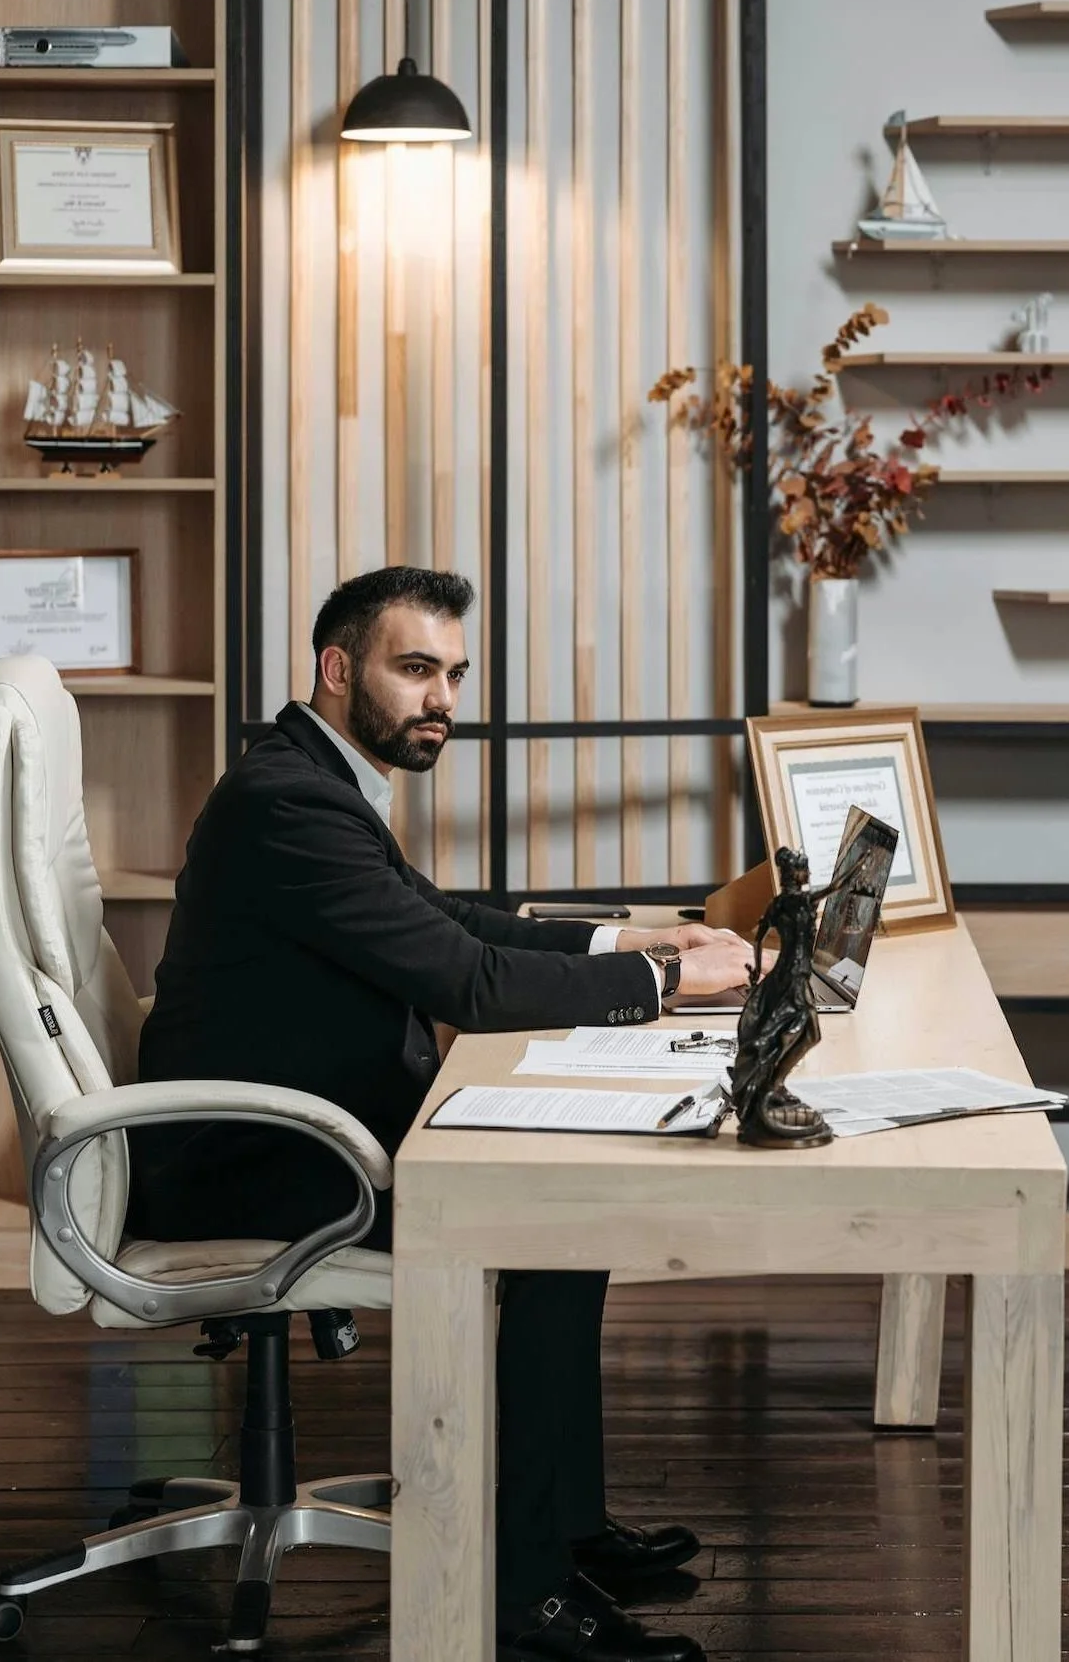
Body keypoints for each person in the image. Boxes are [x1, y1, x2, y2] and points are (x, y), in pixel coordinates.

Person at [128, 566, 752, 1662]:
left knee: (568, 1209)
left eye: (453, 674)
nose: (442, 700)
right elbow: (463, 981)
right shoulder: (288, 805)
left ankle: (559, 1530)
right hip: (255, 1159)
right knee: (545, 1215)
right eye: (415, 669)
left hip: (302, 1127)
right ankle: (519, 1594)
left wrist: (647, 944)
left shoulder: (315, 783)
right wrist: (668, 988)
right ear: (337, 669)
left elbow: (450, 922)